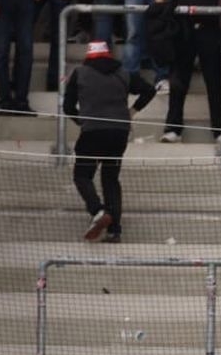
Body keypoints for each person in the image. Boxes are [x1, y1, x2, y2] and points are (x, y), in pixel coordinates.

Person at [64, 40, 157, 243]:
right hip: (118, 133)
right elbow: (150, 90)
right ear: (109, 55)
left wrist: (82, 120)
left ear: (88, 56)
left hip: (92, 133)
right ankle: (114, 230)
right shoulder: (124, 73)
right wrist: (132, 111)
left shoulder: (80, 73)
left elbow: (67, 107)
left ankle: (98, 211)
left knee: (82, 175)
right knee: (111, 178)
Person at [153, 0, 221, 143]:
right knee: (178, 82)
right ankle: (173, 129)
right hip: (183, 31)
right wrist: (165, 20)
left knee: (215, 82)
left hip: (210, 31)